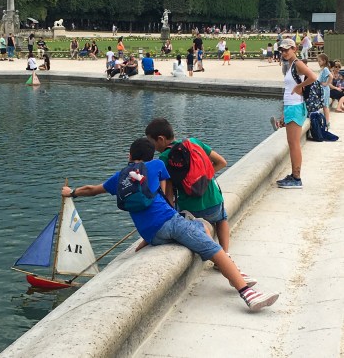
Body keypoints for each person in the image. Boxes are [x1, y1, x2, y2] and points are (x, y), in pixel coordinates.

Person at [61, 138, 279, 311]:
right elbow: (167, 194)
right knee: (212, 245)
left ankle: (233, 275)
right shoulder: (156, 164)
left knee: (198, 226)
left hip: (152, 234)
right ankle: (245, 291)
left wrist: (71, 192)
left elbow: (92, 189)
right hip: (170, 223)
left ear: (129, 156)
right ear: (150, 155)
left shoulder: (118, 178)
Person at [145, 118, 235, 259]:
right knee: (222, 218)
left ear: (161, 139)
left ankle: (215, 255)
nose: (153, 147)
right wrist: (204, 179)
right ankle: (226, 254)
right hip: (214, 204)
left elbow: (168, 195)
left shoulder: (164, 158)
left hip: (190, 209)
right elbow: (222, 162)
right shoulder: (194, 142)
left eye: (152, 142)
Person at [276, 38, 317, 189]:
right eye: (282, 50)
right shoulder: (290, 65)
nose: (284, 52)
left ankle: (296, 178)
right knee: (292, 143)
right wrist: (284, 114)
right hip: (290, 106)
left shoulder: (298, 63)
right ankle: (294, 175)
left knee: (294, 144)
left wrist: (300, 86)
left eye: (287, 49)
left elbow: (313, 77)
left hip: (295, 106)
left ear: (295, 49)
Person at [317, 53, 333, 128]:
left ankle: (327, 123)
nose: (318, 62)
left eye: (319, 61)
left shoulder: (325, 69)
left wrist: (326, 83)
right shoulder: (323, 69)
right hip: (322, 89)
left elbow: (331, 76)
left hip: (325, 89)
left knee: (325, 106)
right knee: (323, 106)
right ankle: (325, 121)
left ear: (324, 61)